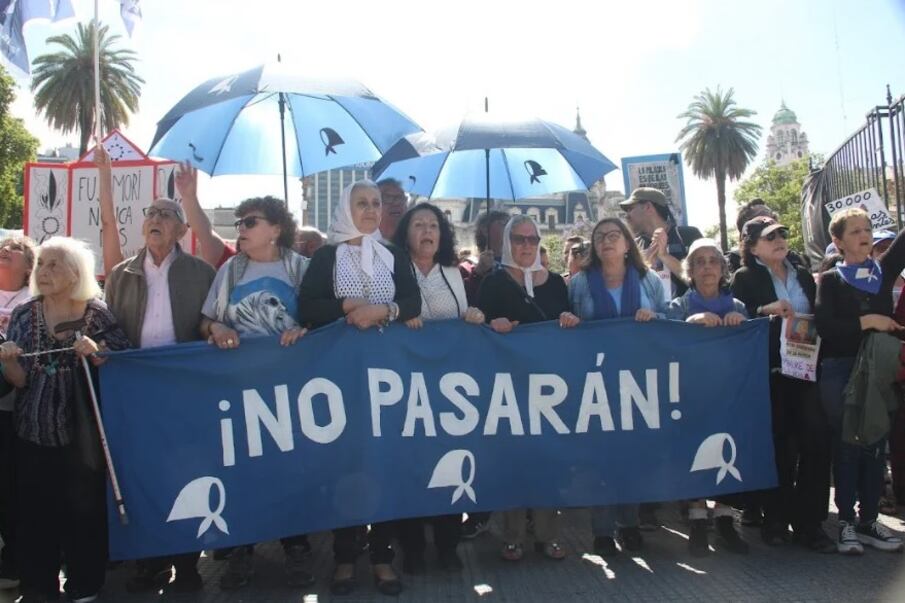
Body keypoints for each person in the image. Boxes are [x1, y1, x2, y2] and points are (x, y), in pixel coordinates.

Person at [299, 180, 420, 597]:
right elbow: (307, 308)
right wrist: (347, 307)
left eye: (375, 204)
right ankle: (346, 556)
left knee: (384, 463)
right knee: (348, 465)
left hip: (389, 377)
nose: (371, 210)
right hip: (341, 377)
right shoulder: (327, 257)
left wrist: (384, 310)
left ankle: (383, 556)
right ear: (345, 209)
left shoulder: (393, 254)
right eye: (361, 203)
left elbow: (413, 302)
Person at [0, 237, 129, 603]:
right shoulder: (26, 314)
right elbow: (20, 379)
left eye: (55, 264)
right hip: (32, 431)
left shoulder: (96, 312)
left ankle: (84, 585)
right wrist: (9, 360)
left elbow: (122, 356)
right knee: (35, 515)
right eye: (41, 263)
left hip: (83, 434)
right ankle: (39, 587)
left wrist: (97, 351)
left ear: (77, 272)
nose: (45, 271)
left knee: (83, 513)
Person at [104, 197, 216, 594]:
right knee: (142, 477)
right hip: (136, 392)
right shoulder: (121, 274)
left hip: (184, 392)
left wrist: (211, 330)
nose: (156, 219)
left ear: (183, 230)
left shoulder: (201, 272)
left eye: (167, 215)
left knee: (186, 474)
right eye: (151, 214)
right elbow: (111, 327)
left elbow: (208, 321)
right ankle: (150, 562)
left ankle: (187, 563)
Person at [199, 196, 311, 590]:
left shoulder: (302, 269)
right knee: (243, 469)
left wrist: (306, 331)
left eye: (250, 222)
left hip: (291, 390)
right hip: (241, 388)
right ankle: (242, 550)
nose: (240, 228)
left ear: (276, 229)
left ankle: (296, 546)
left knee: (291, 468)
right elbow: (207, 319)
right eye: (239, 221)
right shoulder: (231, 270)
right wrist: (217, 330)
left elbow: (323, 324)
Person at [477, 214, 580, 562]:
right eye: (518, 239)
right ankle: (513, 535)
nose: (525, 246)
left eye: (532, 239)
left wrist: (569, 321)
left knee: (549, 458)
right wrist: (493, 324)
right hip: (507, 387)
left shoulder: (555, 283)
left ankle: (549, 533)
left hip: (549, 387)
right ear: (508, 242)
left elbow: (567, 323)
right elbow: (477, 325)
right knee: (513, 460)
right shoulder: (493, 282)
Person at [731, 216, 834, 553]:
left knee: (816, 445)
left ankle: (810, 523)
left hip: (806, 370)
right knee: (780, 448)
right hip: (771, 372)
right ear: (752, 246)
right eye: (769, 236)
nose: (778, 239)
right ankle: (775, 518)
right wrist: (765, 308)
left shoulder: (803, 274)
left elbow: (819, 314)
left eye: (781, 233)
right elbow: (738, 317)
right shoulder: (745, 277)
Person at [391, 203, 484, 574]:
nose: (427, 231)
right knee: (410, 467)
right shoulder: (394, 269)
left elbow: (461, 317)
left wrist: (472, 316)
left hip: (446, 389)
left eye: (433, 225)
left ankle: (448, 546)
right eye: (419, 225)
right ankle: (412, 547)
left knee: (448, 463)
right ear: (406, 233)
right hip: (404, 386)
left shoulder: (452, 272)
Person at [567, 217, 667, 557]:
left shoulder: (649, 280)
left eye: (613, 236)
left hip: (640, 381)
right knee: (601, 457)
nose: (606, 241)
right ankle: (602, 530)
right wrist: (570, 322)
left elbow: (670, 322)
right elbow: (569, 322)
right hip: (596, 382)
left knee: (632, 455)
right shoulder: (580, 283)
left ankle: (630, 523)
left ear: (627, 244)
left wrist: (655, 319)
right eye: (599, 238)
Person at [815, 208, 905, 554]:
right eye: (854, 231)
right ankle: (847, 524)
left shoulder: (882, 272)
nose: (864, 235)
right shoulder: (831, 279)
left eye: (867, 229)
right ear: (838, 241)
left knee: (874, 447)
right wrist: (869, 321)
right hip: (841, 372)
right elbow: (827, 328)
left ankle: (869, 522)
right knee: (849, 448)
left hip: (877, 372)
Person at [666, 238, 750, 556]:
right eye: (699, 262)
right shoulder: (680, 306)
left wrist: (741, 326)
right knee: (696, 452)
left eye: (713, 261)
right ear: (690, 270)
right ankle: (698, 519)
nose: (706, 267)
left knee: (730, 450)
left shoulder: (737, 306)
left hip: (729, 394)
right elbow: (665, 337)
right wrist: (690, 324)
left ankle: (726, 519)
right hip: (692, 394)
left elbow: (751, 341)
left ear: (722, 268)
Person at [0, 235, 35, 590]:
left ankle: (14, 560)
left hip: (14, 408)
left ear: (29, 267)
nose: (5, 252)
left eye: (16, 250)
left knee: (10, 487)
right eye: (3, 248)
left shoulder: (34, 303)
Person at [620, 187, 702, 299]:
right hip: (647, 315)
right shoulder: (633, 246)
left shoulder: (688, 235)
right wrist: (645, 266)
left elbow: (704, 283)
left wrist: (664, 256)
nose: (627, 215)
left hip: (688, 314)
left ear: (648, 207)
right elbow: (626, 291)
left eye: (630, 209)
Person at [462, 210, 510, 307]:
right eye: (503, 224)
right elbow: (464, 301)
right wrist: (478, 273)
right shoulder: (467, 267)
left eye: (510, 224)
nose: (510, 229)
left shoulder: (516, 263)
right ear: (485, 230)